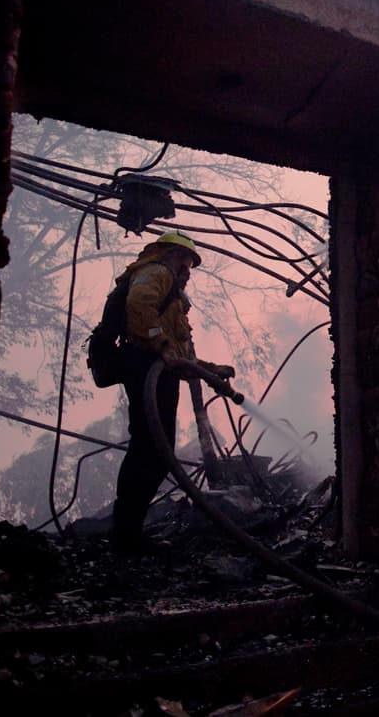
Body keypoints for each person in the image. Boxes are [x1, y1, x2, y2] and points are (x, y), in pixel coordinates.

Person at [110, 231, 229, 552]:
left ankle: (128, 532)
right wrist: (160, 343)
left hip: (159, 371)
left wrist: (209, 369)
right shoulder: (157, 271)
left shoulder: (172, 296)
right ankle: (126, 535)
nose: (188, 272)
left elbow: (178, 353)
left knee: (156, 451)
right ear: (171, 255)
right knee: (149, 450)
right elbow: (139, 307)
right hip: (146, 367)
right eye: (186, 264)